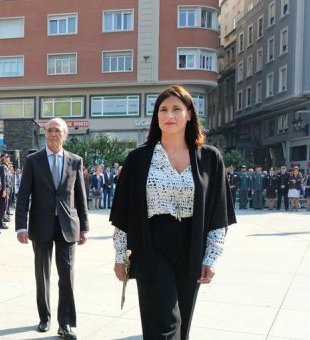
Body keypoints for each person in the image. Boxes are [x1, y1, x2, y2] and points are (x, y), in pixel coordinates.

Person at [110, 85, 236, 340]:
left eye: (177, 109)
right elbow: (123, 213)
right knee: (165, 322)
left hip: (192, 245)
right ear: (156, 116)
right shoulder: (138, 159)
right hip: (150, 245)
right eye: (163, 109)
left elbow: (217, 213)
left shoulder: (211, 158)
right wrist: (121, 255)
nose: (169, 115)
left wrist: (211, 257)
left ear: (190, 113)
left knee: (183, 321)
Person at [15, 118, 89, 339]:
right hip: (41, 225)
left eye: (58, 130)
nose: (53, 134)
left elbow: (80, 197)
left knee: (66, 275)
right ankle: (44, 317)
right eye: (49, 130)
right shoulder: (33, 161)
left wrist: (84, 227)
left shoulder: (75, 161)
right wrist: (20, 226)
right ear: (44, 134)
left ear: (65, 135)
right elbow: (23, 196)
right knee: (43, 274)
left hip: (67, 226)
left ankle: (65, 323)